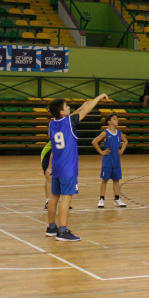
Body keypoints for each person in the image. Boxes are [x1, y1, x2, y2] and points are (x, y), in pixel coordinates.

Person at [45, 94, 108, 242]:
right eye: (67, 107)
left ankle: (51, 228)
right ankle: (62, 231)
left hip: (57, 166)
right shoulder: (69, 122)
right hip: (68, 168)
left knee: (54, 197)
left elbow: (69, 117)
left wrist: (81, 107)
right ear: (62, 112)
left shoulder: (52, 124)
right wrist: (98, 98)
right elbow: (86, 111)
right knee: (66, 198)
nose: (69, 108)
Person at [92, 113, 128, 208]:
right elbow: (94, 141)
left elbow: (126, 141)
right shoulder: (105, 133)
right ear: (109, 122)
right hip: (107, 160)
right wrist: (101, 152)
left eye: (117, 118)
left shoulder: (119, 133)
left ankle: (117, 199)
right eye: (114, 119)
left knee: (116, 180)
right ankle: (101, 199)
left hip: (116, 160)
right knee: (105, 180)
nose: (117, 120)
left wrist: (122, 150)